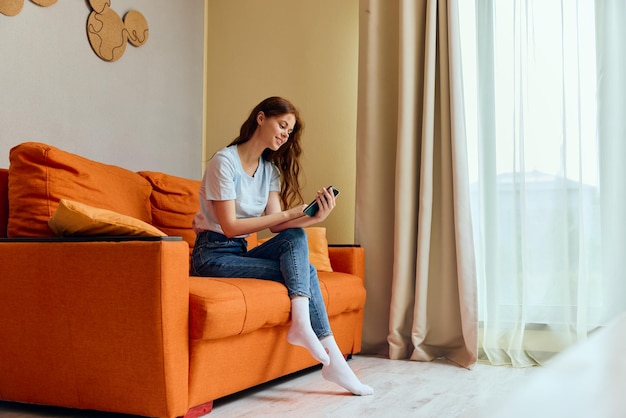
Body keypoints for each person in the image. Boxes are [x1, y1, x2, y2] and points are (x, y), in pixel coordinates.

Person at [191, 96, 373, 396]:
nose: (284, 135)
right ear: (261, 118)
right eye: (281, 125)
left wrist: (314, 217)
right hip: (210, 256)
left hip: (239, 253)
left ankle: (308, 331)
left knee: (296, 238)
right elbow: (230, 227)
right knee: (307, 272)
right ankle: (334, 360)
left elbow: (277, 226)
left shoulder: (269, 171)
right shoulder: (224, 162)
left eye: (288, 132)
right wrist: (290, 213)